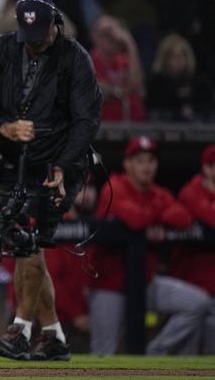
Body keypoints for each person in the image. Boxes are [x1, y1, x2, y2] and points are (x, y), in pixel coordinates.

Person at [0, 0, 103, 361]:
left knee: (27, 237)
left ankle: (20, 329)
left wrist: (63, 165)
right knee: (26, 242)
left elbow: (87, 120)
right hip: (15, 160)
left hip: (60, 164)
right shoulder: (0, 49)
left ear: (55, 25)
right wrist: (3, 127)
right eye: (29, 38)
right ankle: (54, 336)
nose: (36, 44)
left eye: (42, 35)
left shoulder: (75, 58)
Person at [88, 136, 210, 355]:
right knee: (103, 353)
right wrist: (160, 215)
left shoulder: (157, 193)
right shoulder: (114, 186)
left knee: (198, 303)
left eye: (151, 160)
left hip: (146, 282)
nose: (146, 166)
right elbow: (135, 218)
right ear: (127, 163)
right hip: (110, 285)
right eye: (140, 160)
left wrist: (151, 214)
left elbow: (183, 218)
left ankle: (155, 352)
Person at [171, 144, 215, 353]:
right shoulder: (191, 191)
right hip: (191, 285)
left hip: (212, 289)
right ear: (206, 168)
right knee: (186, 353)